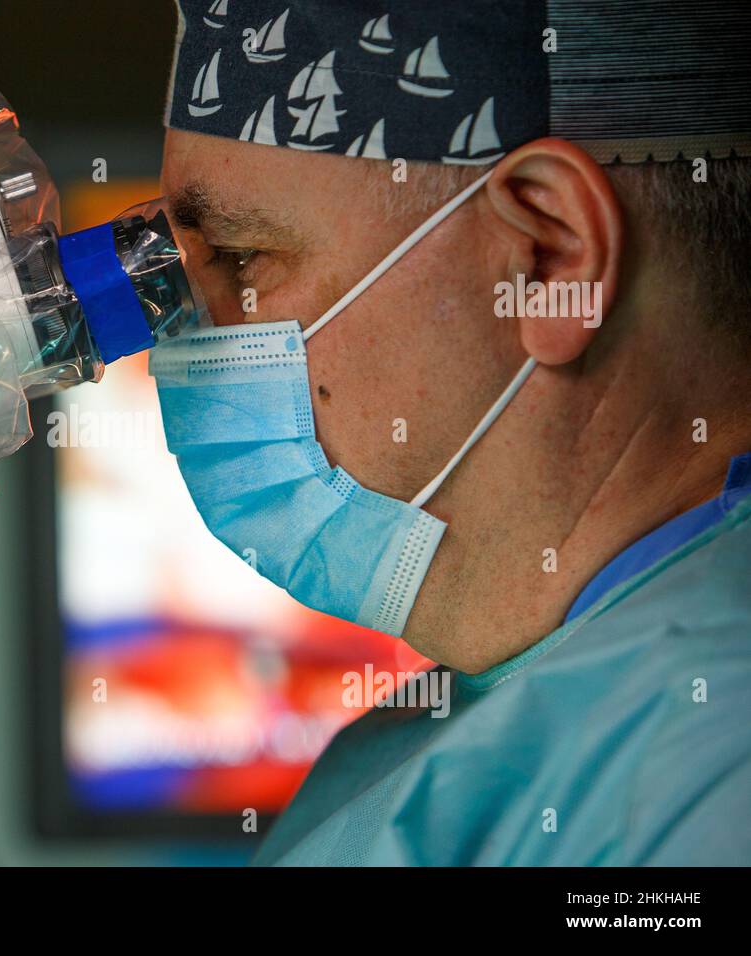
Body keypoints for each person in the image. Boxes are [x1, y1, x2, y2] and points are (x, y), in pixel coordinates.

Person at [151, 0, 751, 864]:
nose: (187, 339)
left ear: (550, 262)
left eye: (242, 260)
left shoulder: (709, 761)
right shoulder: (470, 738)